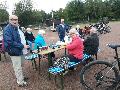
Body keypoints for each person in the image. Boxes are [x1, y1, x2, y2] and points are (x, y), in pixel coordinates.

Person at [3, 15, 29, 87]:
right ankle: (20, 82)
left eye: (16, 19)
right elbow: (10, 42)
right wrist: (22, 46)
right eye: (12, 19)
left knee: (21, 65)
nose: (15, 21)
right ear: (9, 20)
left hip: (20, 50)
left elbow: (21, 37)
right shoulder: (7, 29)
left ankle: (21, 77)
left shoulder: (16, 28)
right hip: (14, 51)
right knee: (17, 67)